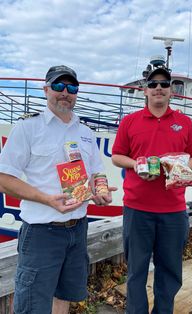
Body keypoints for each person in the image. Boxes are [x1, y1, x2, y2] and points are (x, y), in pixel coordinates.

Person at [0, 65, 116, 314]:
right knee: (32, 304)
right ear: (46, 90)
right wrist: (47, 199)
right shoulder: (28, 128)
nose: (65, 92)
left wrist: (101, 189)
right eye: (58, 86)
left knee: (64, 295)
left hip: (78, 229)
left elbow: (97, 170)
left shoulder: (84, 132)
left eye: (72, 87)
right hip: (42, 233)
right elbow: (3, 179)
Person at [112, 66, 192, 314]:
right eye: (153, 84)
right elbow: (117, 156)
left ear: (171, 90)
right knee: (136, 272)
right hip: (137, 210)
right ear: (145, 91)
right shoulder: (130, 121)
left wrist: (179, 167)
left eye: (164, 84)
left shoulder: (184, 122)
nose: (158, 88)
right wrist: (136, 163)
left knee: (170, 271)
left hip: (173, 211)